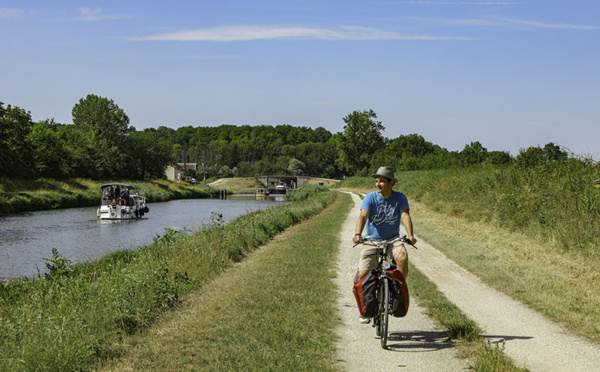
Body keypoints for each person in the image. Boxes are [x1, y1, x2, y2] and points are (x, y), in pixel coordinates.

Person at [352, 166, 417, 323]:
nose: (378, 184)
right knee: (362, 275)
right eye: (376, 181)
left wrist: (410, 235)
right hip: (372, 241)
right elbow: (363, 216)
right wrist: (358, 234)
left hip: (393, 240)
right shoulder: (370, 198)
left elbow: (405, 215)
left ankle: (397, 289)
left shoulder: (400, 197)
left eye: (381, 181)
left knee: (402, 258)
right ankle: (365, 308)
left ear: (391, 183)